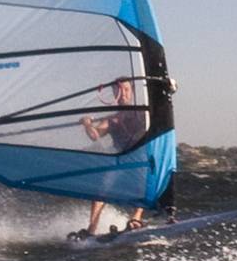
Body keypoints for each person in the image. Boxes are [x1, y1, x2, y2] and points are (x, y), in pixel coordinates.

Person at [68, 77, 175, 238]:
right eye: (118, 90)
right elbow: (95, 135)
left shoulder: (143, 114)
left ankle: (136, 218)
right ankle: (91, 229)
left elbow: (160, 115)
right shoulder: (113, 119)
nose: (123, 93)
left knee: (145, 182)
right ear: (114, 94)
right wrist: (87, 124)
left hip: (140, 160)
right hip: (120, 159)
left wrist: (167, 91)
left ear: (132, 92)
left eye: (126, 90)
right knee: (101, 188)